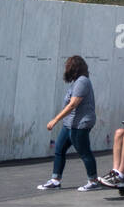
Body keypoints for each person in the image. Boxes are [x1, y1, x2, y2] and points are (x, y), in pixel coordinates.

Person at [37, 55, 100, 192]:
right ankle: (55, 180)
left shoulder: (82, 82)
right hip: (69, 124)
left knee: (84, 152)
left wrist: (55, 120)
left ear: (74, 67)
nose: (66, 69)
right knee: (59, 149)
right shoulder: (77, 81)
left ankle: (93, 181)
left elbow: (73, 105)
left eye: (68, 66)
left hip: (80, 124)